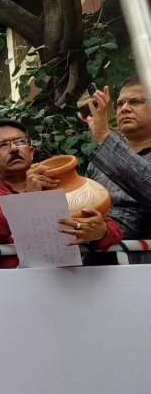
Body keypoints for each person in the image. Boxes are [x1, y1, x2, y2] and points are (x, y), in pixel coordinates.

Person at [0, 119, 122, 269]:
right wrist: (27, 198)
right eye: (3, 145)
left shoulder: (57, 185)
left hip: (66, 281)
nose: (14, 149)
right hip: (7, 284)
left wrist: (101, 231)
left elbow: (113, 231)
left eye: (20, 142)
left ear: (31, 152)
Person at [81, 76, 151, 263]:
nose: (125, 108)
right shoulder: (99, 161)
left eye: (136, 102)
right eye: (120, 104)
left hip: (140, 267)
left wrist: (105, 136)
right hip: (92, 266)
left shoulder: (107, 149)